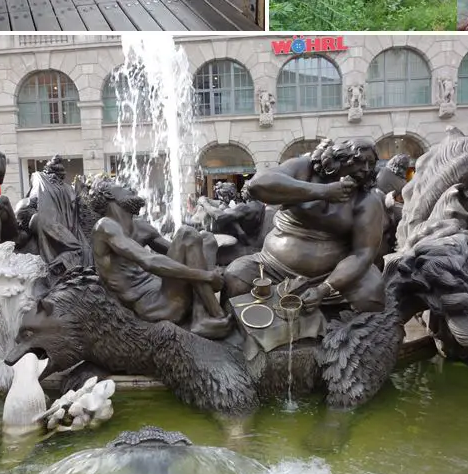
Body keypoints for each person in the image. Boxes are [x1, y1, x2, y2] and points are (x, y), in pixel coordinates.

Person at [223, 137, 386, 314]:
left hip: (332, 275)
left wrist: (324, 288)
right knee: (235, 275)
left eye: (371, 164)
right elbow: (257, 185)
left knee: (372, 293)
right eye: (359, 161)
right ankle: (228, 330)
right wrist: (324, 192)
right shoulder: (306, 168)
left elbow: (363, 254)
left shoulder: (367, 200)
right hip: (271, 265)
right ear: (340, 157)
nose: (366, 169)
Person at [85, 178, 232, 338]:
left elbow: (185, 252)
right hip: (154, 304)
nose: (130, 188)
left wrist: (208, 266)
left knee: (207, 238)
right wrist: (208, 276)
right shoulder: (105, 226)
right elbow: (149, 261)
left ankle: (200, 315)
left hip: (167, 291)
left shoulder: (140, 226)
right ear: (109, 195)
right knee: (187, 233)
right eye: (121, 187)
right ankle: (216, 315)